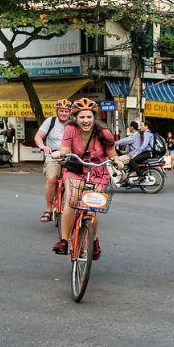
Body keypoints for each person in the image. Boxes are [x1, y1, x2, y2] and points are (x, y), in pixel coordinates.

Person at [51, 98, 122, 258]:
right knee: (71, 201)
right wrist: (59, 154)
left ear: (94, 118)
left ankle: (93, 240)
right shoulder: (70, 130)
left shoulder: (104, 133)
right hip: (76, 169)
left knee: (92, 211)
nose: (86, 120)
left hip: (98, 172)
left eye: (89, 117)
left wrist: (117, 161)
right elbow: (64, 150)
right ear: (75, 118)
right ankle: (63, 241)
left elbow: (112, 154)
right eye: (82, 117)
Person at [34, 99, 72, 223]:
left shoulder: (74, 123)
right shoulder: (50, 121)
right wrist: (43, 147)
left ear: (70, 112)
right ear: (57, 111)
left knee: (78, 181)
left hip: (70, 156)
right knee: (52, 179)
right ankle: (48, 210)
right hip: (53, 156)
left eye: (66, 111)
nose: (63, 114)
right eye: (61, 111)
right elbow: (38, 137)